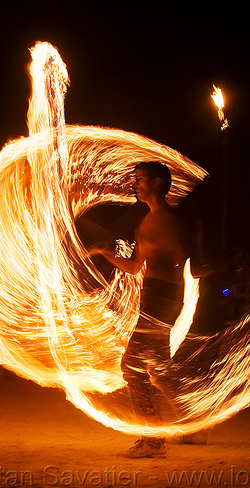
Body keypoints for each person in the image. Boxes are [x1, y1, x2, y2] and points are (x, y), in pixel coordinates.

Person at [89, 162, 209, 457]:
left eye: (140, 179)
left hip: (163, 299)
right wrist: (108, 253)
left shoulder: (179, 221)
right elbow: (135, 267)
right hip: (152, 297)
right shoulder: (146, 221)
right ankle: (196, 425)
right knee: (161, 371)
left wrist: (228, 264)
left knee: (131, 366)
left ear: (158, 184)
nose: (134, 183)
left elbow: (196, 267)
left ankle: (153, 439)